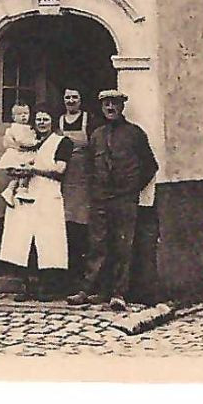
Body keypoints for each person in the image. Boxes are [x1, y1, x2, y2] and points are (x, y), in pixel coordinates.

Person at [67, 90, 157, 313]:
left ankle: (119, 293)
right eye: (106, 104)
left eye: (114, 104)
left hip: (124, 199)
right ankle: (88, 290)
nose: (110, 108)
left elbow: (150, 166)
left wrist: (132, 188)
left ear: (121, 107)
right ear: (101, 107)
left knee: (122, 245)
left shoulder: (135, 134)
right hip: (100, 199)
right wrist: (95, 189)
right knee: (97, 244)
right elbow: (89, 165)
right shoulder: (96, 134)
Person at [0, 110, 73, 300]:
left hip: (48, 194)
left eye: (46, 119)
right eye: (38, 119)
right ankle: (26, 286)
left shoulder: (62, 142)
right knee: (22, 240)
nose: (41, 122)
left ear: (52, 121)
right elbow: (13, 162)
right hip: (25, 194)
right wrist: (16, 171)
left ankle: (47, 288)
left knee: (49, 241)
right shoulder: (28, 141)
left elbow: (59, 170)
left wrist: (34, 170)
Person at [54, 88, 95, 279]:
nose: (71, 101)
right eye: (67, 97)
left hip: (84, 177)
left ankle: (84, 275)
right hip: (65, 177)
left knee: (83, 224)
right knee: (66, 223)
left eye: (74, 97)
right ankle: (68, 275)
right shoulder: (59, 121)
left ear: (80, 100)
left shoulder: (89, 120)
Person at [0, 102, 40, 208]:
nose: (24, 116)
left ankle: (10, 191)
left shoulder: (26, 127)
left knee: (18, 177)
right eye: (20, 114)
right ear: (14, 117)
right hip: (19, 155)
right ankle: (21, 190)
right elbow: (21, 141)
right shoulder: (17, 128)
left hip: (22, 154)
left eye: (26, 113)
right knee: (24, 172)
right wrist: (35, 143)